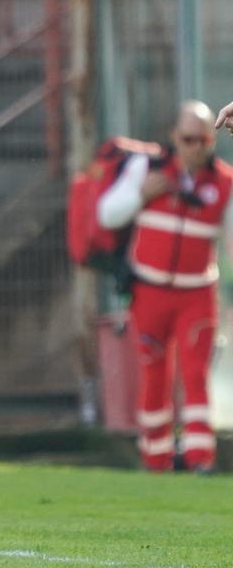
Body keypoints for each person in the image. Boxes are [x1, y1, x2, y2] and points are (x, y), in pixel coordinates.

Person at [98, 101, 232, 473]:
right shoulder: (147, 169)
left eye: (204, 140)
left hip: (198, 293)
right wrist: (140, 195)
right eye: (188, 139)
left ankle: (200, 458)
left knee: (195, 372)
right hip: (149, 291)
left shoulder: (224, 181)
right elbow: (107, 214)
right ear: (174, 136)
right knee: (153, 372)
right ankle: (155, 458)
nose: (196, 147)